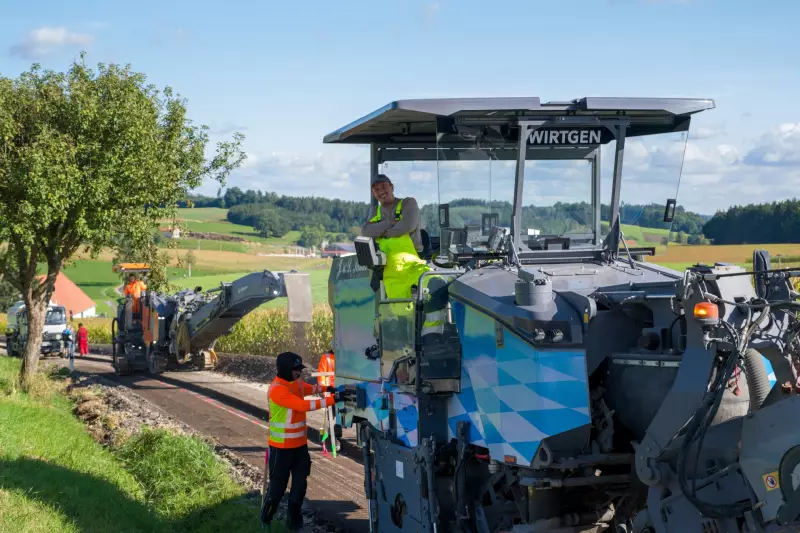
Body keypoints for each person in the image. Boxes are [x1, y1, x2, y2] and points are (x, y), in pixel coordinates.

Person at [261, 351, 342, 531]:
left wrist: (327, 389)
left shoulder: (296, 382)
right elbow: (303, 405)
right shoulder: (277, 390)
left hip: (299, 447)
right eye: (296, 369)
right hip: (281, 449)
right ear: (285, 369)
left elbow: (308, 389)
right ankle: (265, 520)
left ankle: (294, 523)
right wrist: (333, 400)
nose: (299, 372)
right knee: (277, 491)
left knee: (299, 487)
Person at [360, 173, 447, 340]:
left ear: (392, 187)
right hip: (391, 271)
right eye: (376, 189)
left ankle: (431, 338)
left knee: (437, 287)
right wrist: (390, 224)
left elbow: (407, 226)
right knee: (401, 315)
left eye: (384, 186)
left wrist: (382, 231)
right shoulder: (375, 211)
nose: (381, 191)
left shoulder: (408, 203)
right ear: (373, 193)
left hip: (413, 265)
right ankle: (408, 346)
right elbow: (366, 231)